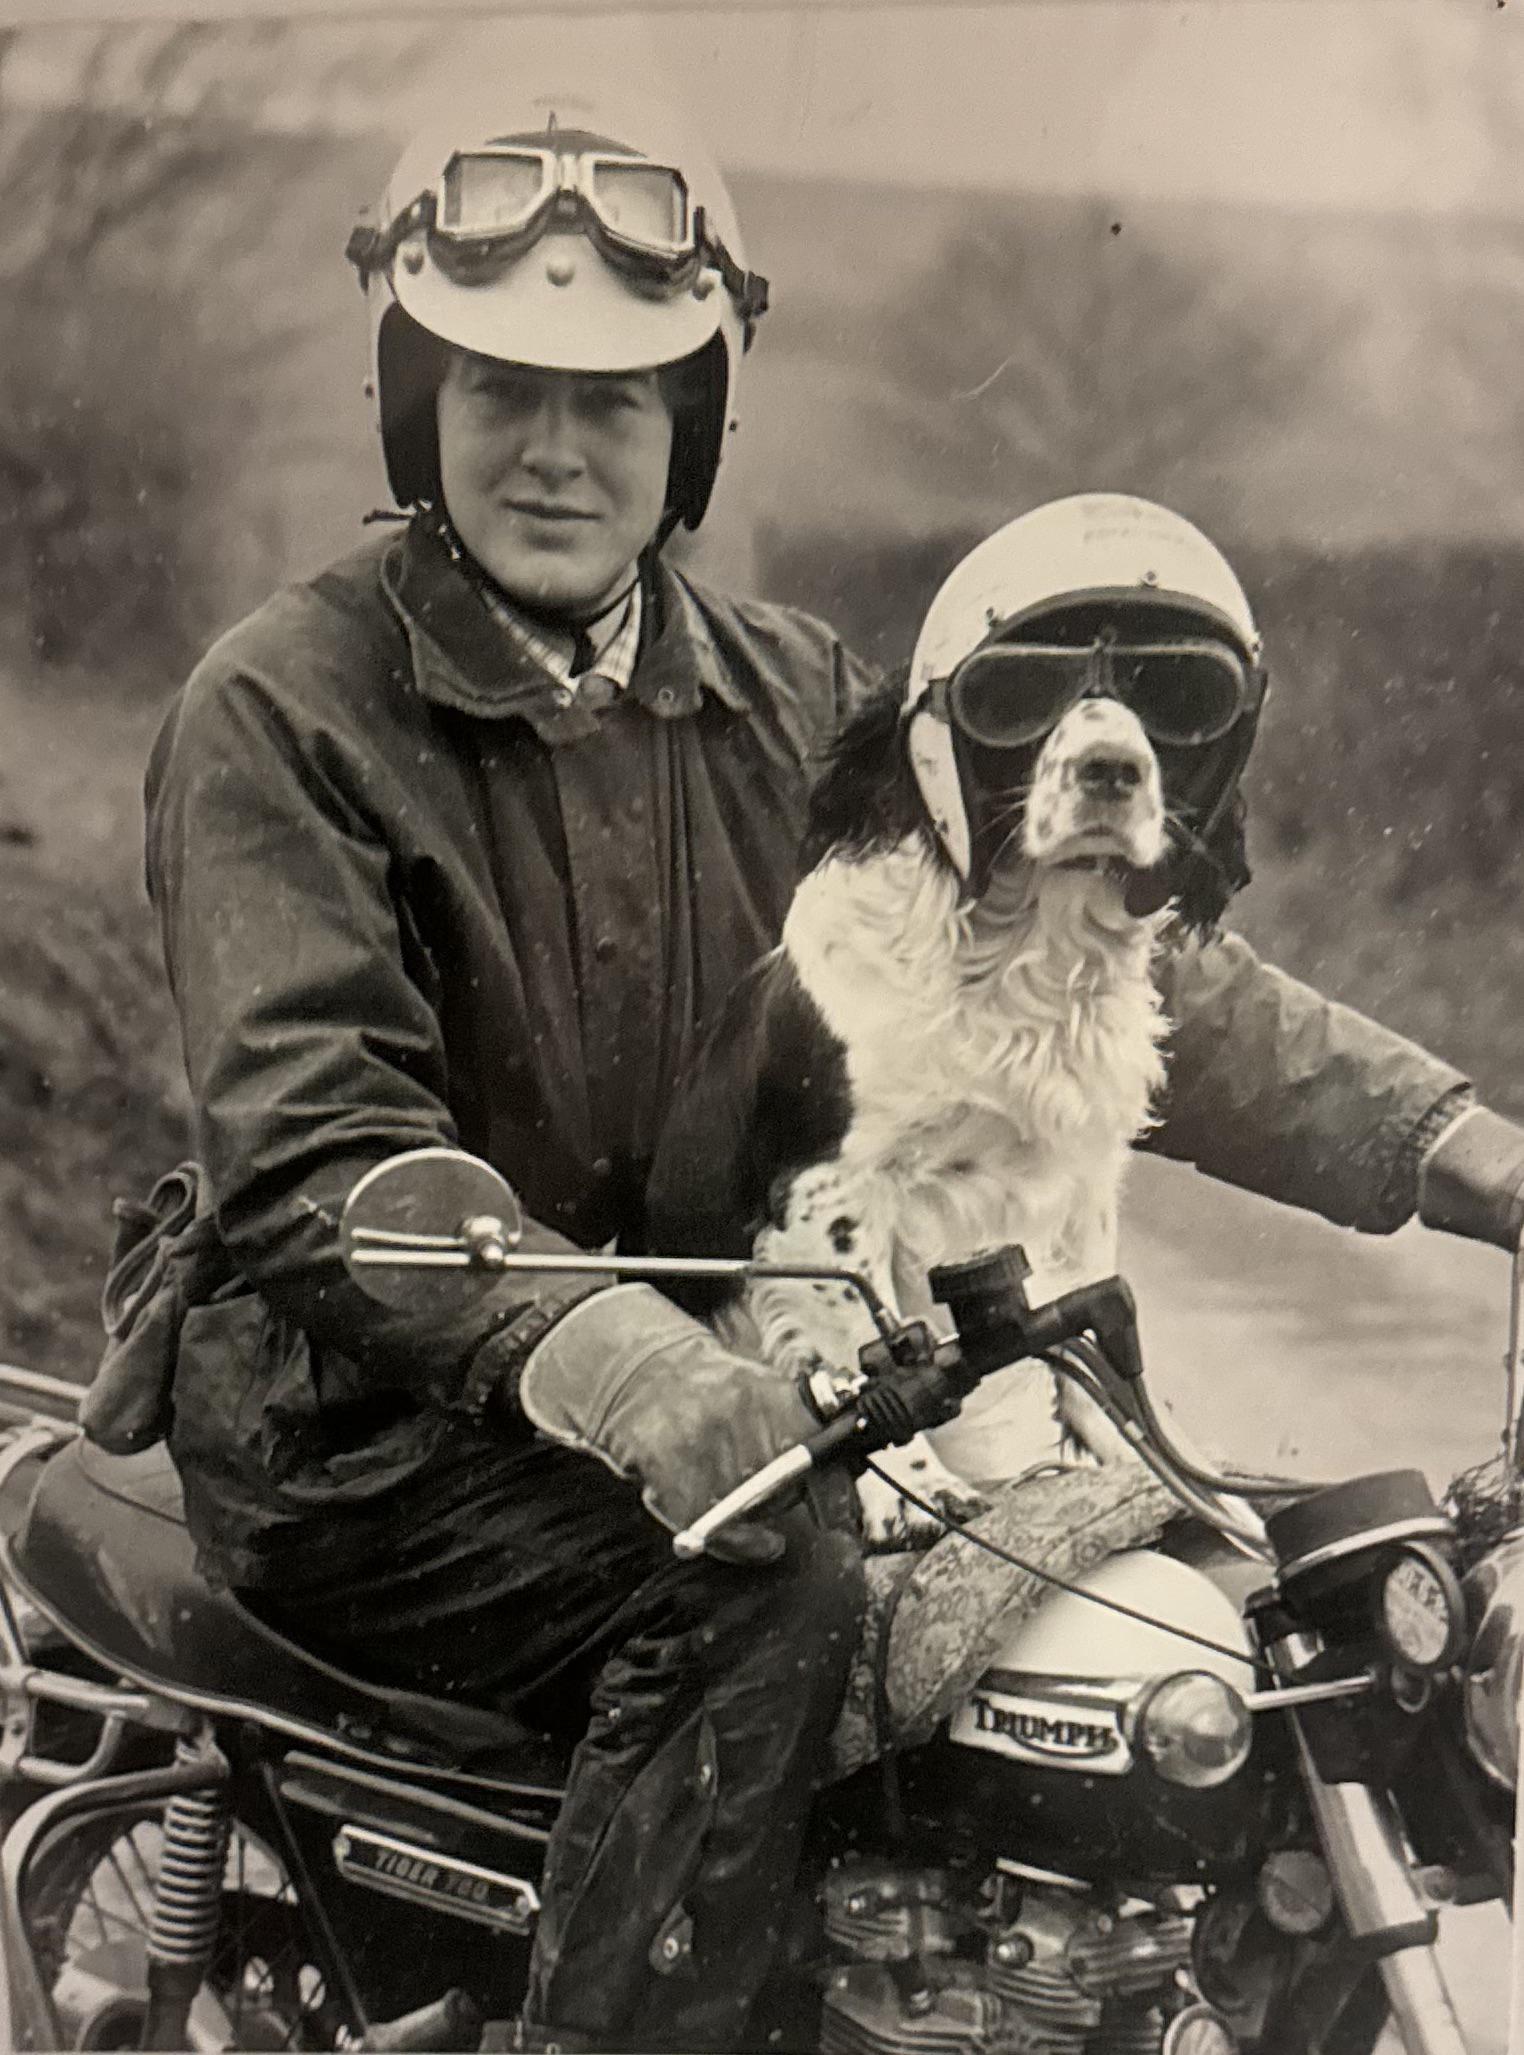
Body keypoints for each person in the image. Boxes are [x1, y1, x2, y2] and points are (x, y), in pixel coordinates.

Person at [133, 80, 1524, 2055]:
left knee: (1266, 1588)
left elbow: (1101, 948)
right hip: (371, 1430)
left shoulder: (789, 692)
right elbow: (312, 1136)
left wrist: (1455, 1144)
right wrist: (617, 1358)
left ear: (688, 422)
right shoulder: (283, 705)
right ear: (416, 399)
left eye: (615, 399)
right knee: (764, 1574)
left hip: (760, 1367)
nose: (556, 447)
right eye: (502, 387)